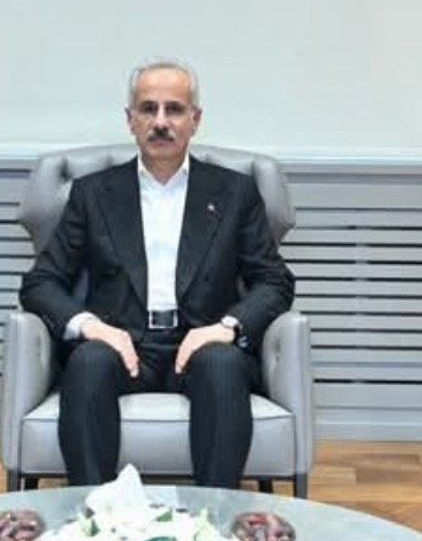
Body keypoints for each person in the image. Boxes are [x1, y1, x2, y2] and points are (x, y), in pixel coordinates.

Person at [19, 59, 295, 489]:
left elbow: (274, 280)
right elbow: (40, 283)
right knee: (88, 362)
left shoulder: (234, 192)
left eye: (174, 109)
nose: (161, 122)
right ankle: (93, 514)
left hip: (201, 342)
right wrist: (93, 328)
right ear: (130, 120)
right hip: (121, 342)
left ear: (195, 120)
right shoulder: (94, 194)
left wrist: (225, 328)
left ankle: (216, 514)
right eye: (148, 109)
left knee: (222, 363)